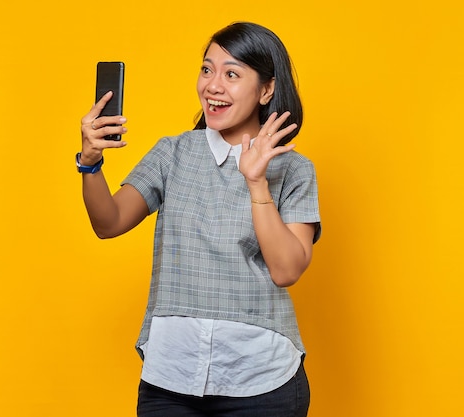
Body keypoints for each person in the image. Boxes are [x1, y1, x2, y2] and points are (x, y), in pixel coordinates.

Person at [78, 22, 321, 417]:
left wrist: (256, 181)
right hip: (171, 377)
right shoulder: (172, 154)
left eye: (231, 74)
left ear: (266, 89)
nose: (213, 85)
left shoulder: (293, 169)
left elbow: (287, 270)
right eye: (207, 69)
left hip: (262, 379)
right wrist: (90, 164)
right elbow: (109, 223)